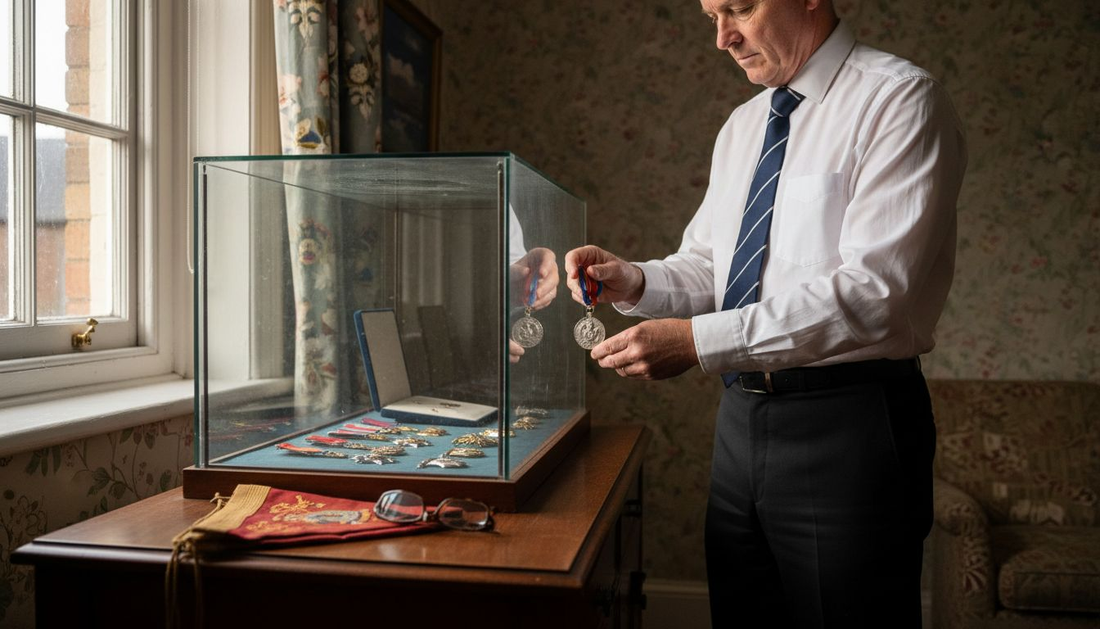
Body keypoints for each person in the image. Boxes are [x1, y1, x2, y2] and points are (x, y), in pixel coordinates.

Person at [565, 0, 966, 626]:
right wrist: (633, 279)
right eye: (711, 16)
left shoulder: (900, 100)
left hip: (850, 427)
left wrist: (698, 343)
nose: (723, 37)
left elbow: (874, 295)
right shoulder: (743, 125)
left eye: (740, 8)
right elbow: (711, 266)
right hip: (740, 427)